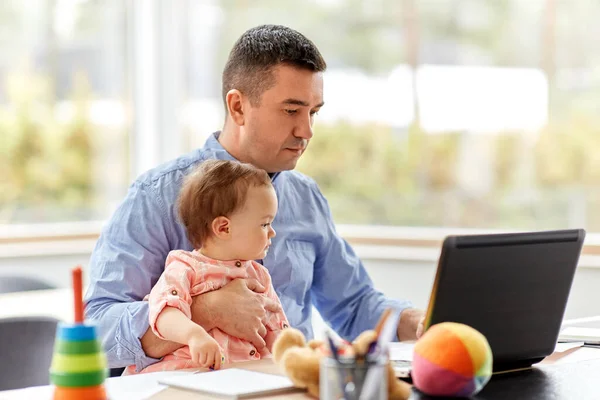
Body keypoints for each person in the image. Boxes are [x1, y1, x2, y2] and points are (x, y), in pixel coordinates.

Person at [85, 24, 424, 373]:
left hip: (290, 388)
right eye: (291, 110)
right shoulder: (157, 197)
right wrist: (205, 310)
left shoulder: (304, 196)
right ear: (238, 107)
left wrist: (418, 323)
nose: (307, 131)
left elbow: (354, 305)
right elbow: (96, 333)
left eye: (314, 112)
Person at [126, 160, 288, 374]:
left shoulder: (259, 276)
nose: (272, 232)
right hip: (185, 374)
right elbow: (164, 312)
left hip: (240, 379)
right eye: (265, 224)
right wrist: (193, 334)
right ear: (223, 227)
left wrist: (293, 355)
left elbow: (277, 331)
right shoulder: (185, 268)